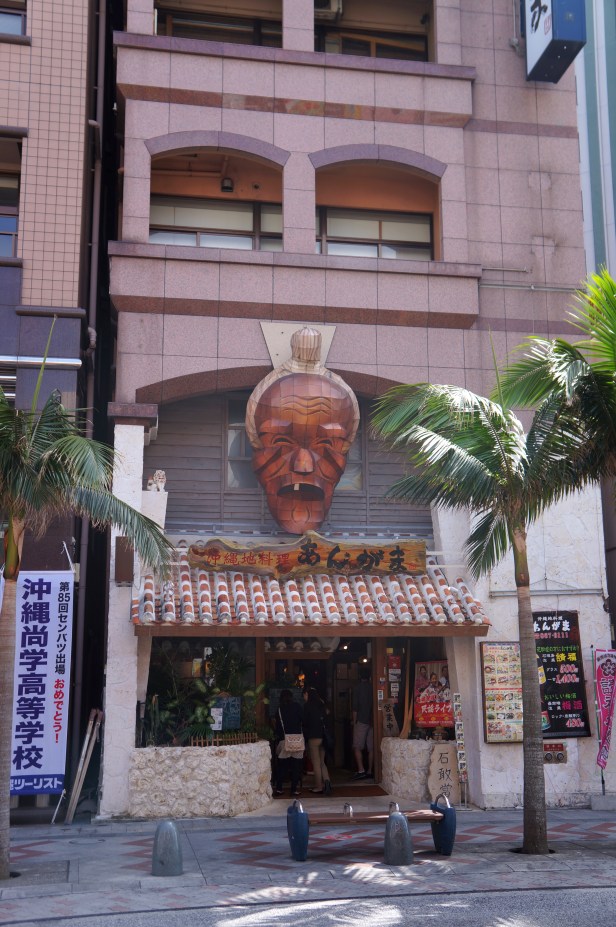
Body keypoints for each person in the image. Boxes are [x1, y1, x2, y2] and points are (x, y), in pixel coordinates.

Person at [274, 689, 304, 797]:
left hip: (284, 739)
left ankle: (279, 788)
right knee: (296, 766)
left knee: (282, 766)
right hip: (297, 739)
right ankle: (293, 790)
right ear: (291, 697)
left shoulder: (279, 710)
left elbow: (277, 727)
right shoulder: (297, 706)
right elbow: (303, 720)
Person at [302, 687, 332, 794]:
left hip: (313, 737)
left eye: (304, 695)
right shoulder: (321, 705)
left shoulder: (308, 706)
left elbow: (304, 721)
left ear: (307, 694)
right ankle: (327, 781)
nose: (304, 698)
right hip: (323, 736)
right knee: (322, 762)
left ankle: (319, 786)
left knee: (316, 762)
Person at [351, 666, 373, 780]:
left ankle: (361, 770)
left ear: (359, 676)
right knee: (371, 748)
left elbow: (355, 707)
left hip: (361, 720)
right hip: (373, 721)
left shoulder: (357, 688)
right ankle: (370, 770)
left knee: (357, 746)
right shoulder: (373, 688)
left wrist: (354, 722)